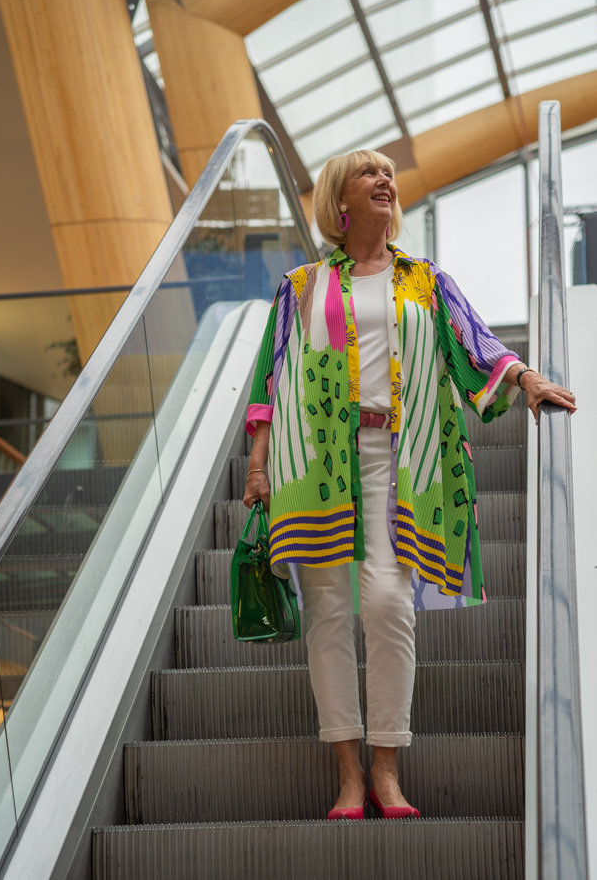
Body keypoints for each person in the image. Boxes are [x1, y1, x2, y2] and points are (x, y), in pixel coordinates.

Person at [242, 148, 576, 820]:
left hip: (402, 460)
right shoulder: (301, 285)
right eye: (370, 174)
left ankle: (387, 768)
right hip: (311, 467)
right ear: (341, 198)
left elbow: (474, 343)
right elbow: (269, 382)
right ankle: (347, 774)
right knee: (329, 616)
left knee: (389, 607)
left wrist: (527, 378)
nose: (385, 181)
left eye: (388, 174)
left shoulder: (424, 280)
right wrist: (257, 464)